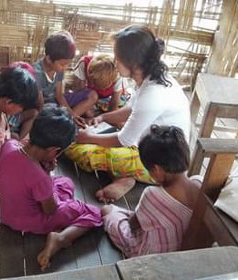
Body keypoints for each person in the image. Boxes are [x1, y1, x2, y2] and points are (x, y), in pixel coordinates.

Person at [65, 25, 190, 203]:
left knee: (76, 150)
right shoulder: (151, 79)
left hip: (159, 167)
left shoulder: (153, 94)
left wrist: (86, 138)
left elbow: (124, 140)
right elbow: (131, 109)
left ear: (132, 62)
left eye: (117, 58)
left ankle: (132, 175)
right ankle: (125, 178)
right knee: (94, 141)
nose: (115, 63)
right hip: (148, 147)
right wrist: (101, 118)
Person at [0, 105, 103, 270]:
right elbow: (50, 210)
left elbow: (23, 173)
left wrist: (43, 171)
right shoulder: (40, 178)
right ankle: (59, 238)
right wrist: (45, 174)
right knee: (94, 213)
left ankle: (65, 207)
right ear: (54, 151)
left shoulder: (9, 145)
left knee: (65, 183)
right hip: (32, 221)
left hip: (7, 214)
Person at [101, 125, 201, 257]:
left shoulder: (153, 195)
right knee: (143, 216)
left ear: (157, 169)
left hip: (151, 255)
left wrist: (137, 215)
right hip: (187, 250)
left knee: (107, 210)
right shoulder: (200, 183)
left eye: (149, 170)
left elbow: (133, 225)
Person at [32, 31, 86, 128]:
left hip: (53, 104)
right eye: (62, 64)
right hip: (40, 107)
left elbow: (59, 96)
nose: (65, 68)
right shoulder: (36, 74)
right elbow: (40, 106)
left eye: (67, 64)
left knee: (91, 96)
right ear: (48, 59)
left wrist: (73, 115)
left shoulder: (58, 69)